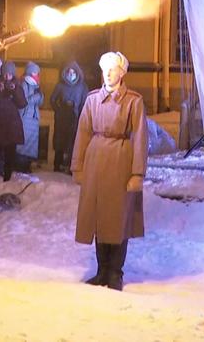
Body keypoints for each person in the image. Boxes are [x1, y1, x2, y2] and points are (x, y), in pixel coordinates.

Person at [71, 52, 148, 291]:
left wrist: (137, 173)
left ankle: (115, 271)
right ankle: (101, 269)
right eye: (105, 68)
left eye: (113, 69)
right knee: (98, 218)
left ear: (122, 72)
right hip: (95, 161)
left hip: (120, 162)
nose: (108, 72)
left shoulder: (133, 101)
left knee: (117, 218)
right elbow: (83, 132)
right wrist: (78, 165)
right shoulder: (92, 99)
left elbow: (140, 139)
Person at [0, 61, 27, 182]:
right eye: (5, 73)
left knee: (10, 152)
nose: (7, 76)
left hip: (11, 126)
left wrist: (14, 91)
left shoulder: (17, 86)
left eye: (9, 74)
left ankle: (8, 175)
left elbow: (22, 103)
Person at [51, 61, 89, 173]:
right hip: (62, 118)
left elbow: (85, 102)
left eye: (73, 72)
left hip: (75, 119)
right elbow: (53, 99)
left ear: (77, 73)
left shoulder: (82, 87)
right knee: (60, 142)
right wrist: (58, 110)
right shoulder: (60, 85)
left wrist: (81, 116)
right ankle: (57, 165)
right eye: (69, 72)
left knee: (73, 142)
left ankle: (70, 166)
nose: (71, 74)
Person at [16, 62, 44, 173]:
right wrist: (38, 96)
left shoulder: (35, 85)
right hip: (25, 118)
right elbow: (24, 101)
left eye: (37, 72)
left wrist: (40, 96)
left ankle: (26, 164)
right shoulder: (24, 84)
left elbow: (39, 102)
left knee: (30, 144)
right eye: (34, 72)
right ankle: (21, 165)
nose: (36, 75)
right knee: (24, 143)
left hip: (32, 118)